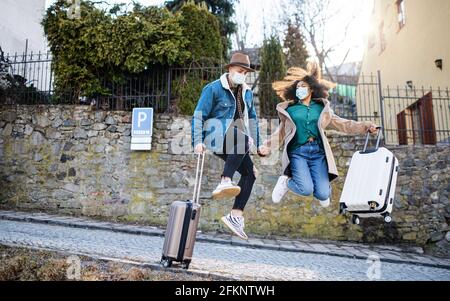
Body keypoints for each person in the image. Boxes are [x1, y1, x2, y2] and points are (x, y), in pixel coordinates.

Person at [263, 62, 378, 206]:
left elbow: (343, 124)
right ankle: (286, 182)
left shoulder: (322, 109)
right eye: (297, 87)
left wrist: (366, 126)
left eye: (303, 86)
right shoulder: (291, 110)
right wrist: (266, 147)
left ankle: (323, 190)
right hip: (298, 153)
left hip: (318, 153)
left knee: (323, 194)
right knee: (305, 189)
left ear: (311, 89)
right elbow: (280, 132)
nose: (300, 89)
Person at [192, 53, 269, 240]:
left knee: (251, 173)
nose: (242, 75)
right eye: (239, 71)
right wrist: (197, 141)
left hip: (235, 140)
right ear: (230, 69)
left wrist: (259, 145)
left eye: (245, 72)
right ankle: (225, 180)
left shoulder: (247, 92)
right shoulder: (214, 89)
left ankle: (235, 216)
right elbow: (198, 115)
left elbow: (252, 120)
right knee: (243, 140)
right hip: (214, 134)